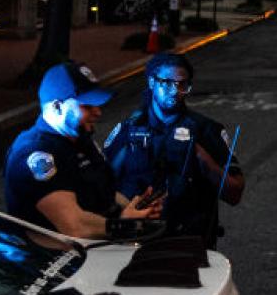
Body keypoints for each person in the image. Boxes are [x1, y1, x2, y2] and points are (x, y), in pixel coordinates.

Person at [3, 61, 160, 239]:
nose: (98, 112)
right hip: (67, 260)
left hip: (102, 244)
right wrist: (124, 225)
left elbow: (103, 192)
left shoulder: (77, 137)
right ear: (57, 107)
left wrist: (137, 208)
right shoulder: (35, 153)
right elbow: (74, 226)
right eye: (87, 105)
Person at [102, 53, 245, 248]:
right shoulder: (128, 130)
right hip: (137, 244)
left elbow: (235, 193)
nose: (175, 90)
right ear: (152, 82)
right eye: (167, 83)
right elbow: (102, 186)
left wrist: (202, 159)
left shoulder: (207, 130)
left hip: (190, 245)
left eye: (182, 85)